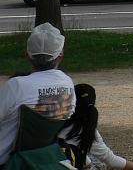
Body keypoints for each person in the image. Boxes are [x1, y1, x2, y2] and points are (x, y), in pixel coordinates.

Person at [0, 23, 76, 166]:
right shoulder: (68, 84)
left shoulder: (16, 86)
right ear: (60, 55)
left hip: (9, 161)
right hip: (44, 158)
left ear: (27, 54)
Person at [59, 84, 133, 170]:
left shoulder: (57, 121)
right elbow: (110, 160)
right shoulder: (87, 129)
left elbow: (70, 145)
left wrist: (87, 162)